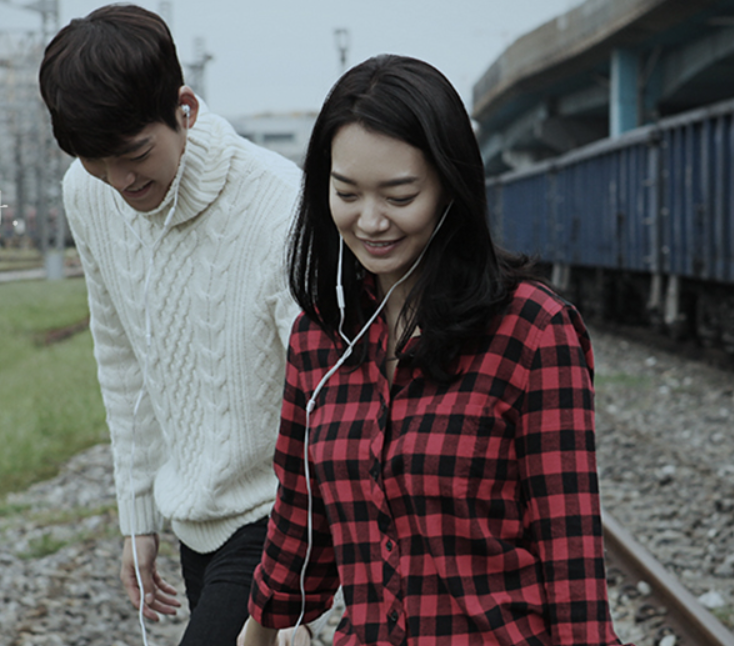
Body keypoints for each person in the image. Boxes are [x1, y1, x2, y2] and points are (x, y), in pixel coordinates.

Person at [240, 54, 632, 646]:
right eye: (346, 192)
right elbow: (301, 518)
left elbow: (569, 549)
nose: (370, 221)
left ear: (451, 186)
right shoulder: (319, 340)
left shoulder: (532, 330)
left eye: (399, 196)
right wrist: (258, 630)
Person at [38, 5, 316, 645]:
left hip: (277, 512)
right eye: (95, 160)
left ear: (184, 108)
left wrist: (309, 552)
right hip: (194, 519)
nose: (120, 180)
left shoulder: (278, 203)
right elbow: (119, 357)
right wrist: (138, 518)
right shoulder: (89, 195)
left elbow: (323, 390)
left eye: (135, 153)